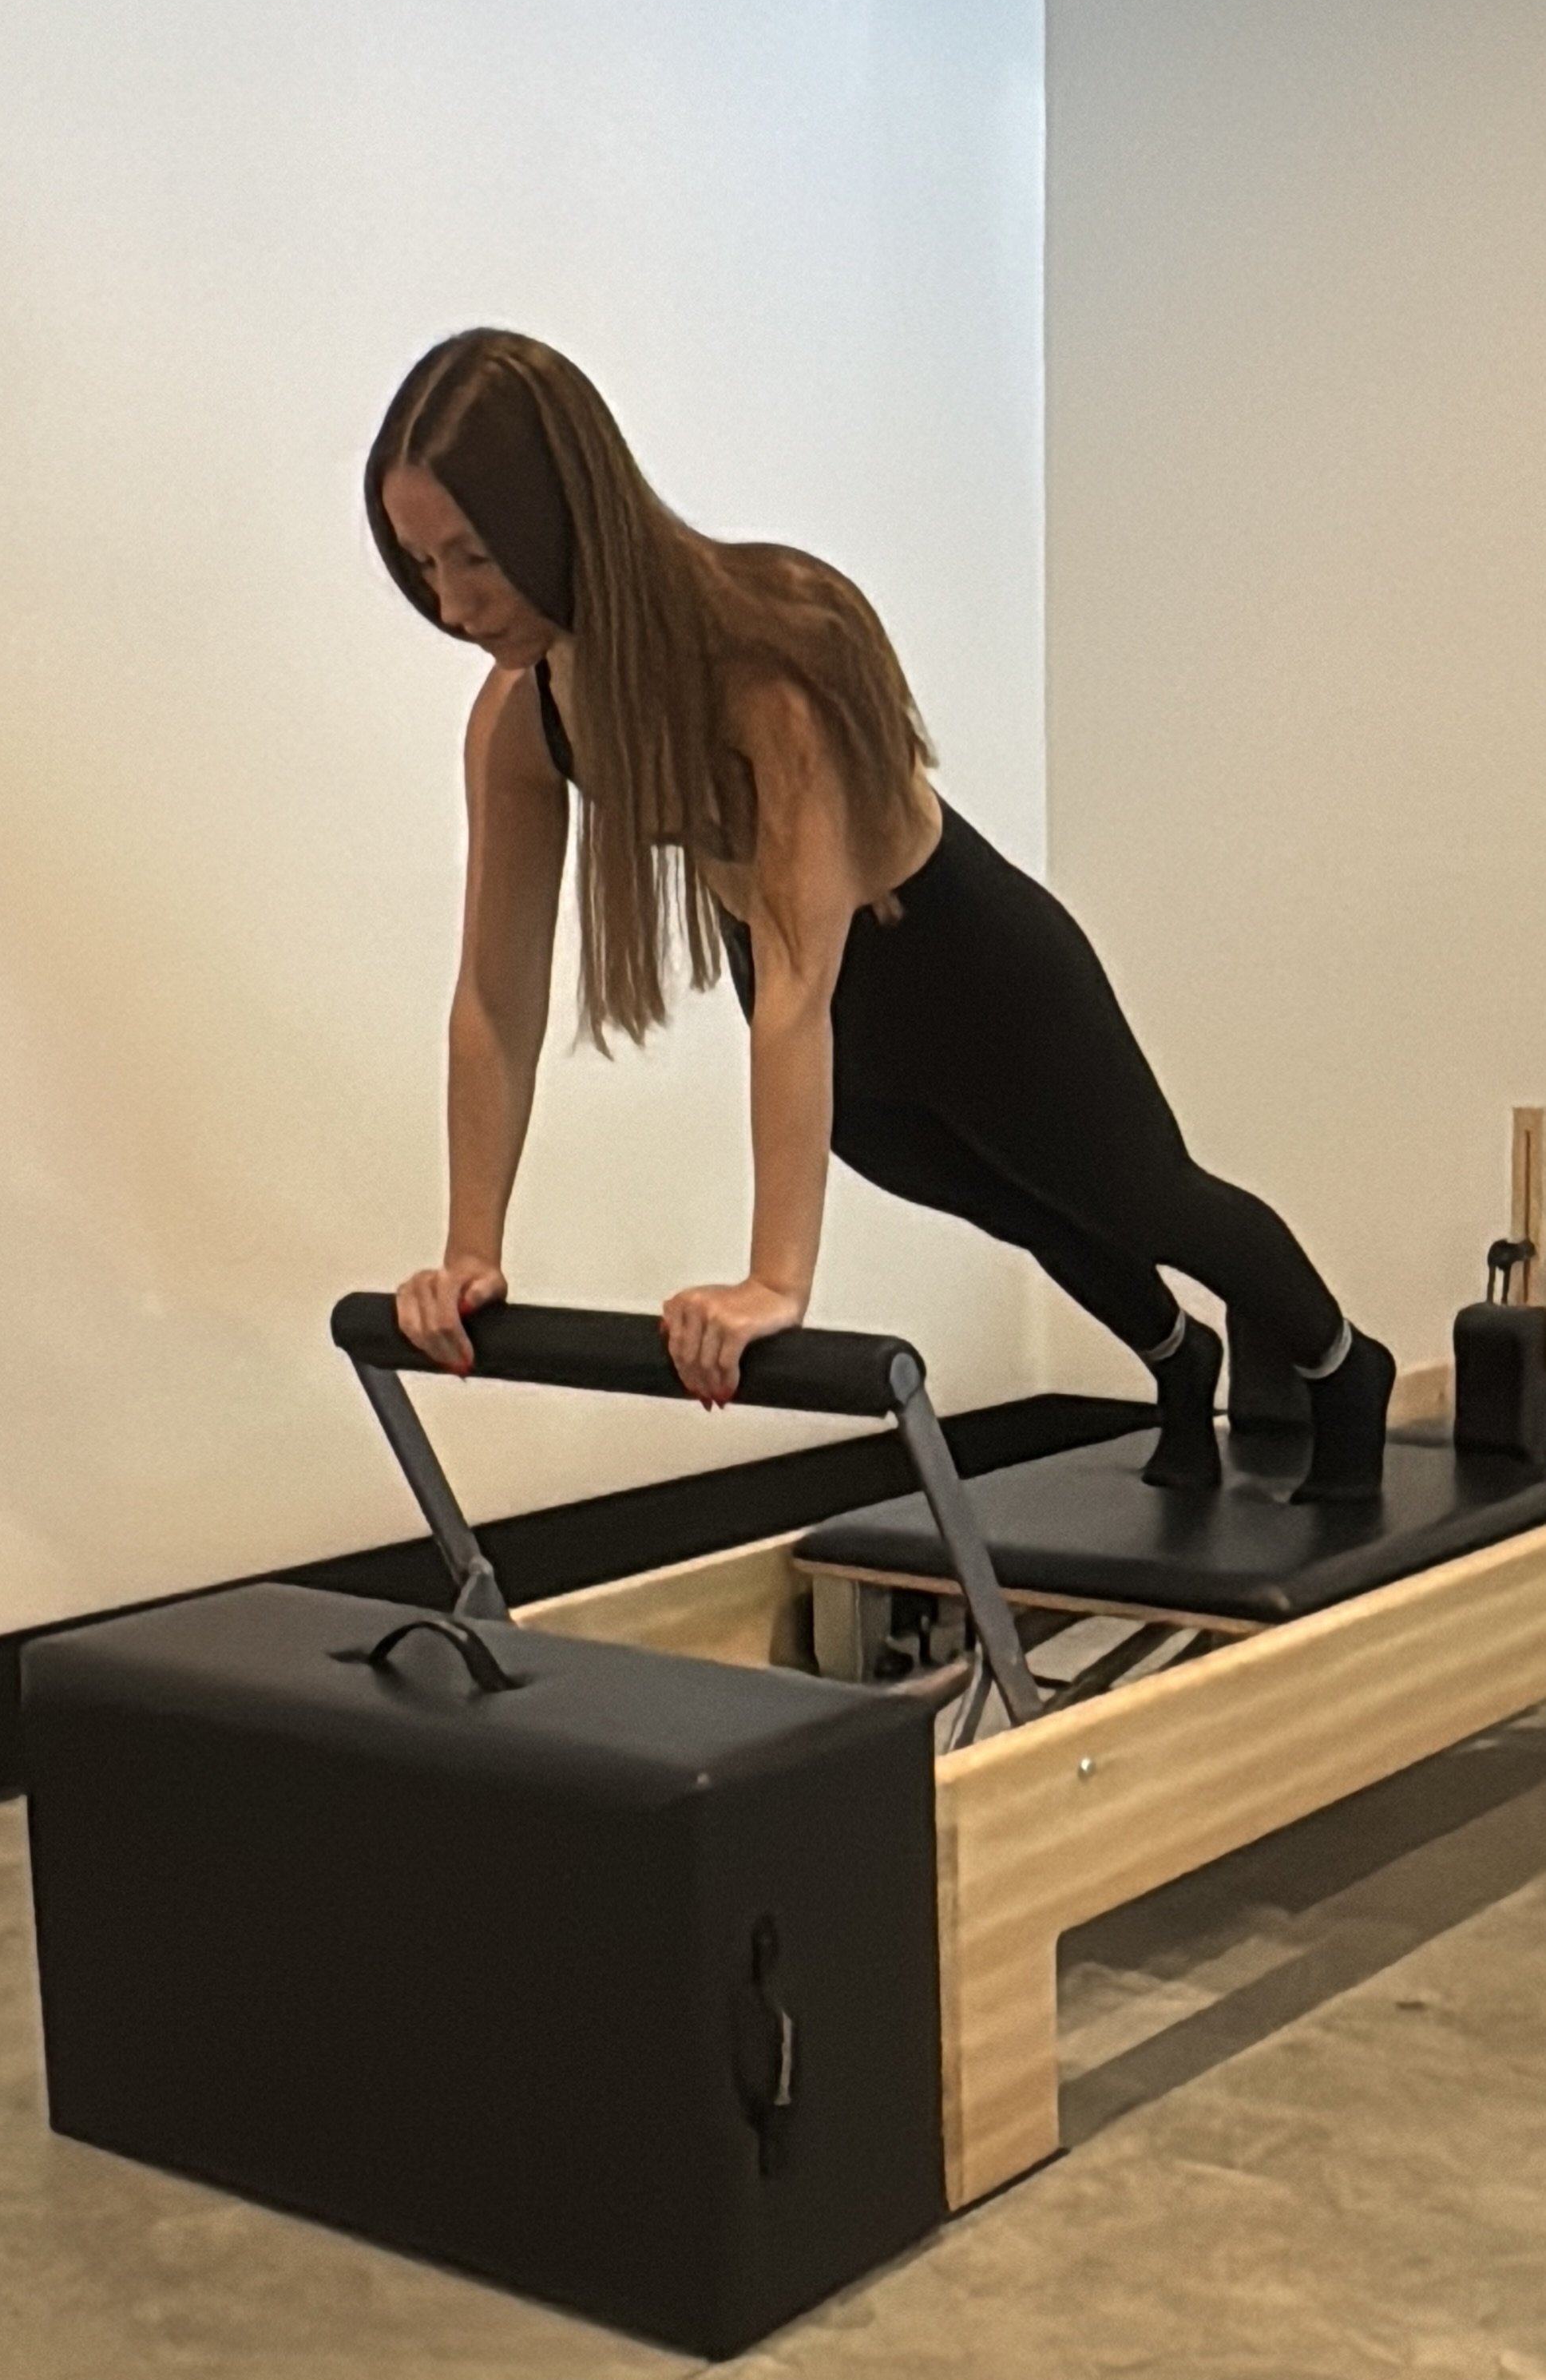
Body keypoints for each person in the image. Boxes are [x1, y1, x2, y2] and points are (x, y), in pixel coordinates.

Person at [366, 327, 1394, 1501]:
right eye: (424, 565)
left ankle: (1342, 1368)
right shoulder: (521, 715)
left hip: (970, 968)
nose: (453, 605)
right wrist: (470, 1254)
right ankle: (1179, 1363)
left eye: (475, 557)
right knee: (1021, 1211)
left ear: (561, 515)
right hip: (832, 1016)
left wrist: (774, 1284)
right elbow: (496, 1000)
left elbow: (800, 977)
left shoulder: (773, 655)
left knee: (1144, 1198)